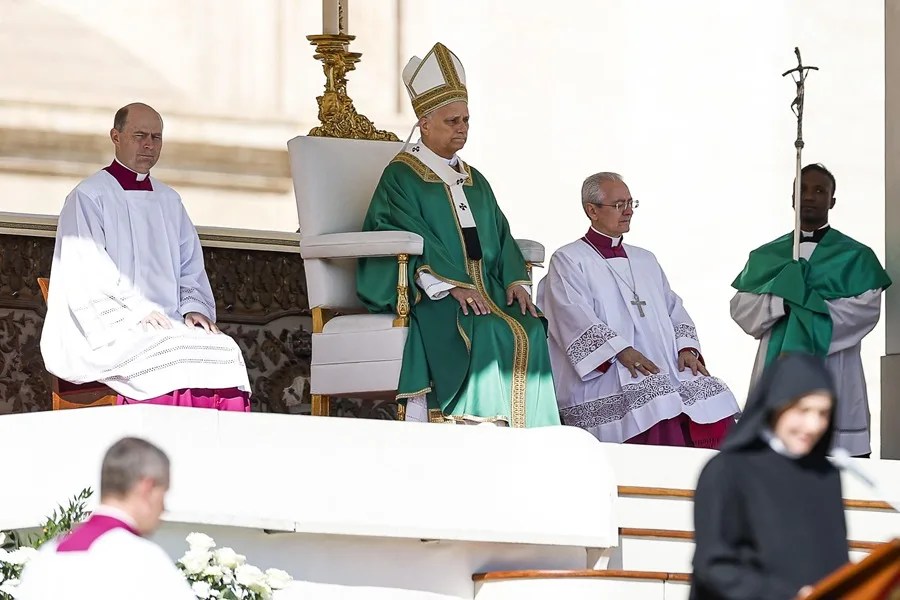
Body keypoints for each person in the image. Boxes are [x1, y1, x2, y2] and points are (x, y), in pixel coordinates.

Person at [356, 43, 560, 427]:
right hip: (432, 293)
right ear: (425, 123)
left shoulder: (474, 178)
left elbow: (501, 233)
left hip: (487, 289)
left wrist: (516, 279)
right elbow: (400, 232)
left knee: (531, 325)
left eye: (466, 119)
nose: (462, 128)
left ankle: (528, 430)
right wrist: (450, 286)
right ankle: (475, 423)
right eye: (452, 121)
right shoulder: (402, 176)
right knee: (482, 326)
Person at [40, 102, 251, 409]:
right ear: (116, 136)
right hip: (115, 324)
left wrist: (194, 307)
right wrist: (137, 311)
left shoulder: (169, 200)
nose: (149, 145)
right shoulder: (89, 196)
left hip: (169, 320)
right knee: (171, 352)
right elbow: (86, 269)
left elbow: (189, 264)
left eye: (156, 137)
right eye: (140, 135)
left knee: (222, 348)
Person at [537, 172, 739, 447]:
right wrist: (620, 350)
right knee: (655, 399)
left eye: (631, 203)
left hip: (662, 363)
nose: (629, 211)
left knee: (709, 393)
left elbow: (673, 306)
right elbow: (571, 315)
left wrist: (686, 349)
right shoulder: (569, 259)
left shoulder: (645, 259)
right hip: (608, 368)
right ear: (592, 210)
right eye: (619, 205)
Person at [731, 163, 891, 457]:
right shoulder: (766, 255)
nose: (810, 196)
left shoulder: (856, 256)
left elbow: (864, 312)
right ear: (792, 197)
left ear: (832, 200)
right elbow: (742, 308)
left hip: (835, 367)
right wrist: (781, 301)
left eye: (820, 190)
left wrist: (805, 305)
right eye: (802, 189)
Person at [690, 353, 849, 600]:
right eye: (803, 410)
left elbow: (835, 560)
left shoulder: (825, 476)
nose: (813, 425)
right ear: (777, 405)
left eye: (823, 413)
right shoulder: (727, 470)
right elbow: (713, 565)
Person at [16, 437, 196, 600]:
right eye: (163, 494)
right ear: (146, 488)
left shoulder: (47, 557)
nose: (164, 508)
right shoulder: (142, 560)